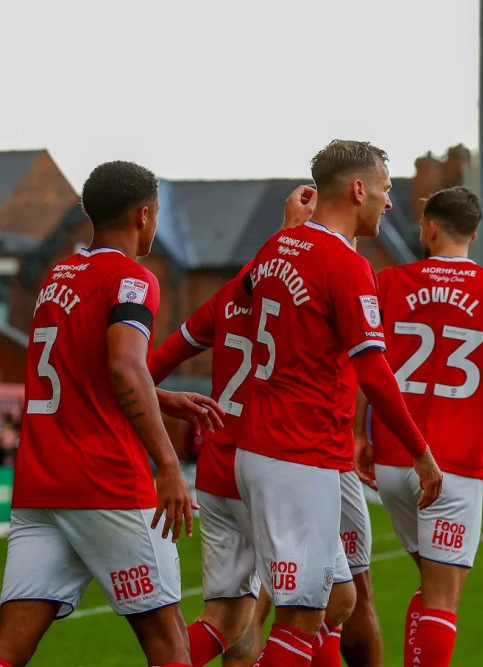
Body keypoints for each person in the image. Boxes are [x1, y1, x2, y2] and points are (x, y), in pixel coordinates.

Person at [0, 161, 225, 667]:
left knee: (5, 650)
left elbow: (84, 370)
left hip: (42, 484)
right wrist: (169, 465)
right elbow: (125, 365)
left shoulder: (57, 275)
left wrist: (160, 397)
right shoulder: (133, 278)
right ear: (143, 215)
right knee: (170, 645)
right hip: (105, 480)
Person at [235, 140, 443, 666]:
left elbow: (241, 296)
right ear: (358, 189)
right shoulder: (347, 265)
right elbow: (373, 370)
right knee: (301, 617)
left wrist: (288, 231)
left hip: (273, 448)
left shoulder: (276, 247)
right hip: (297, 457)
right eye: (385, 189)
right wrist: (420, 451)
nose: (389, 202)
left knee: (341, 597)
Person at [149, 185, 367, 667]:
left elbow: (150, 368)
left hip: (218, 470)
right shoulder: (311, 289)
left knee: (229, 624)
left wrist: (152, 404)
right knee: (332, 601)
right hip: (278, 464)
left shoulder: (227, 298)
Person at [356, 185, 483, 667]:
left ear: (429, 227)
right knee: (443, 600)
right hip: (451, 465)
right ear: (476, 231)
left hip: (391, 459)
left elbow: (364, 364)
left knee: (431, 589)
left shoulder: (389, 281)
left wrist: (359, 433)